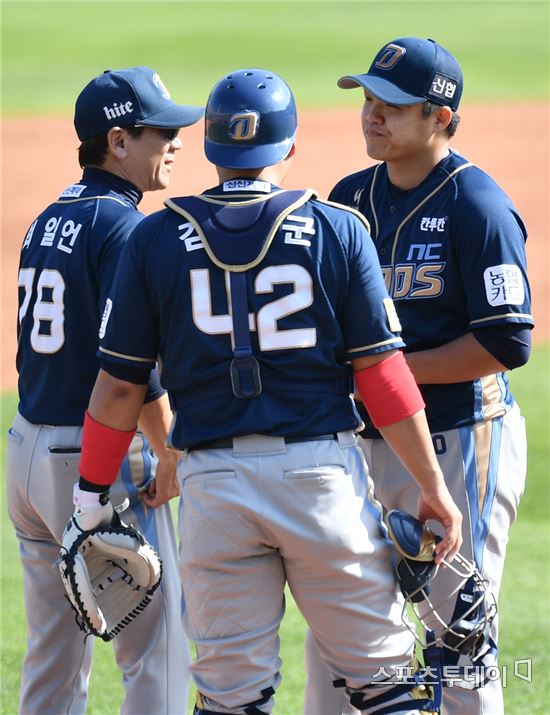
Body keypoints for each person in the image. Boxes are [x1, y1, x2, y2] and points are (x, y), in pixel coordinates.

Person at [70, 67, 462, 715]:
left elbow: (117, 388)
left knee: (230, 697)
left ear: (211, 147)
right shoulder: (338, 228)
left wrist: (88, 499)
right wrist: (431, 484)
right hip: (321, 481)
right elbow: (382, 375)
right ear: (290, 146)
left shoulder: (154, 237)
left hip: (213, 489)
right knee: (388, 681)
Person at [304, 37, 533, 715]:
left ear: (441, 117)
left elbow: (506, 340)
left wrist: (387, 375)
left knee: (457, 633)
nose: (372, 114)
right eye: (369, 99)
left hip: (461, 437)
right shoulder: (349, 199)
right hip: (364, 443)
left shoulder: (477, 206)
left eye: (394, 105)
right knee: (343, 632)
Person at [7, 66, 203, 715]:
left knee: (54, 651)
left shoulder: (48, 218)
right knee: (158, 648)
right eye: (161, 133)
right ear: (119, 141)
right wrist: (167, 450)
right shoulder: (125, 228)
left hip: (27, 450)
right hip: (96, 458)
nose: (176, 143)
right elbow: (128, 369)